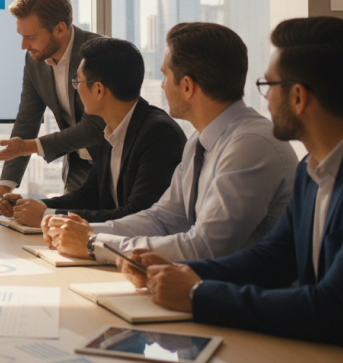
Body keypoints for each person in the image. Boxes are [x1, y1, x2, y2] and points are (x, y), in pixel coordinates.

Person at [119, 17, 343, 363]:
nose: (264, 98)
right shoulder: (313, 169)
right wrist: (186, 273)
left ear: (298, 96)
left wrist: (198, 294)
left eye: (268, 84)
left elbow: (334, 307)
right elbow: (274, 257)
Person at [44, 23, 298, 263]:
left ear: (187, 86)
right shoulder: (200, 140)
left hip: (241, 299)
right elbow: (162, 219)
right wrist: (80, 230)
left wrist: (94, 244)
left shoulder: (249, 145)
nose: (162, 86)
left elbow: (204, 247)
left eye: (165, 76)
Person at [0, 37, 185, 227]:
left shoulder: (159, 134)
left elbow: (138, 216)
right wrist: (33, 206)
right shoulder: (109, 130)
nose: (77, 88)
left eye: (77, 81)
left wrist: (48, 215)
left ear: (98, 90)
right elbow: (88, 196)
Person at [0, 0, 107, 204]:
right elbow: (27, 121)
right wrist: (3, 190)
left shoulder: (100, 53)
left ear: (60, 29)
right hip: (78, 170)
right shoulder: (35, 60)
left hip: (114, 167)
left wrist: (30, 146)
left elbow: (94, 127)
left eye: (31, 37)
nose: (24, 46)